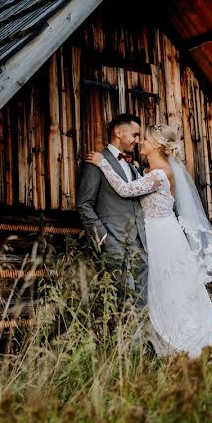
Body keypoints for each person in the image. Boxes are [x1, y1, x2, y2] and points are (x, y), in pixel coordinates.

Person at [86, 123, 212, 369]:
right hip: (155, 233)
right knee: (162, 291)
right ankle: (171, 349)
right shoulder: (150, 170)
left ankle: (192, 348)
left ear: (157, 145)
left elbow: (125, 190)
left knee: (171, 291)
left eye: (145, 139)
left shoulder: (160, 173)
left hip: (161, 236)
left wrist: (103, 162)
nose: (141, 142)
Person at [76, 113, 150, 312]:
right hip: (114, 242)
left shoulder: (133, 166)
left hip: (140, 243)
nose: (137, 140)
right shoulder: (96, 162)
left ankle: (142, 344)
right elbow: (84, 204)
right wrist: (102, 237)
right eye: (134, 135)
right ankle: (126, 343)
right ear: (118, 132)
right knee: (125, 299)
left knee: (143, 300)